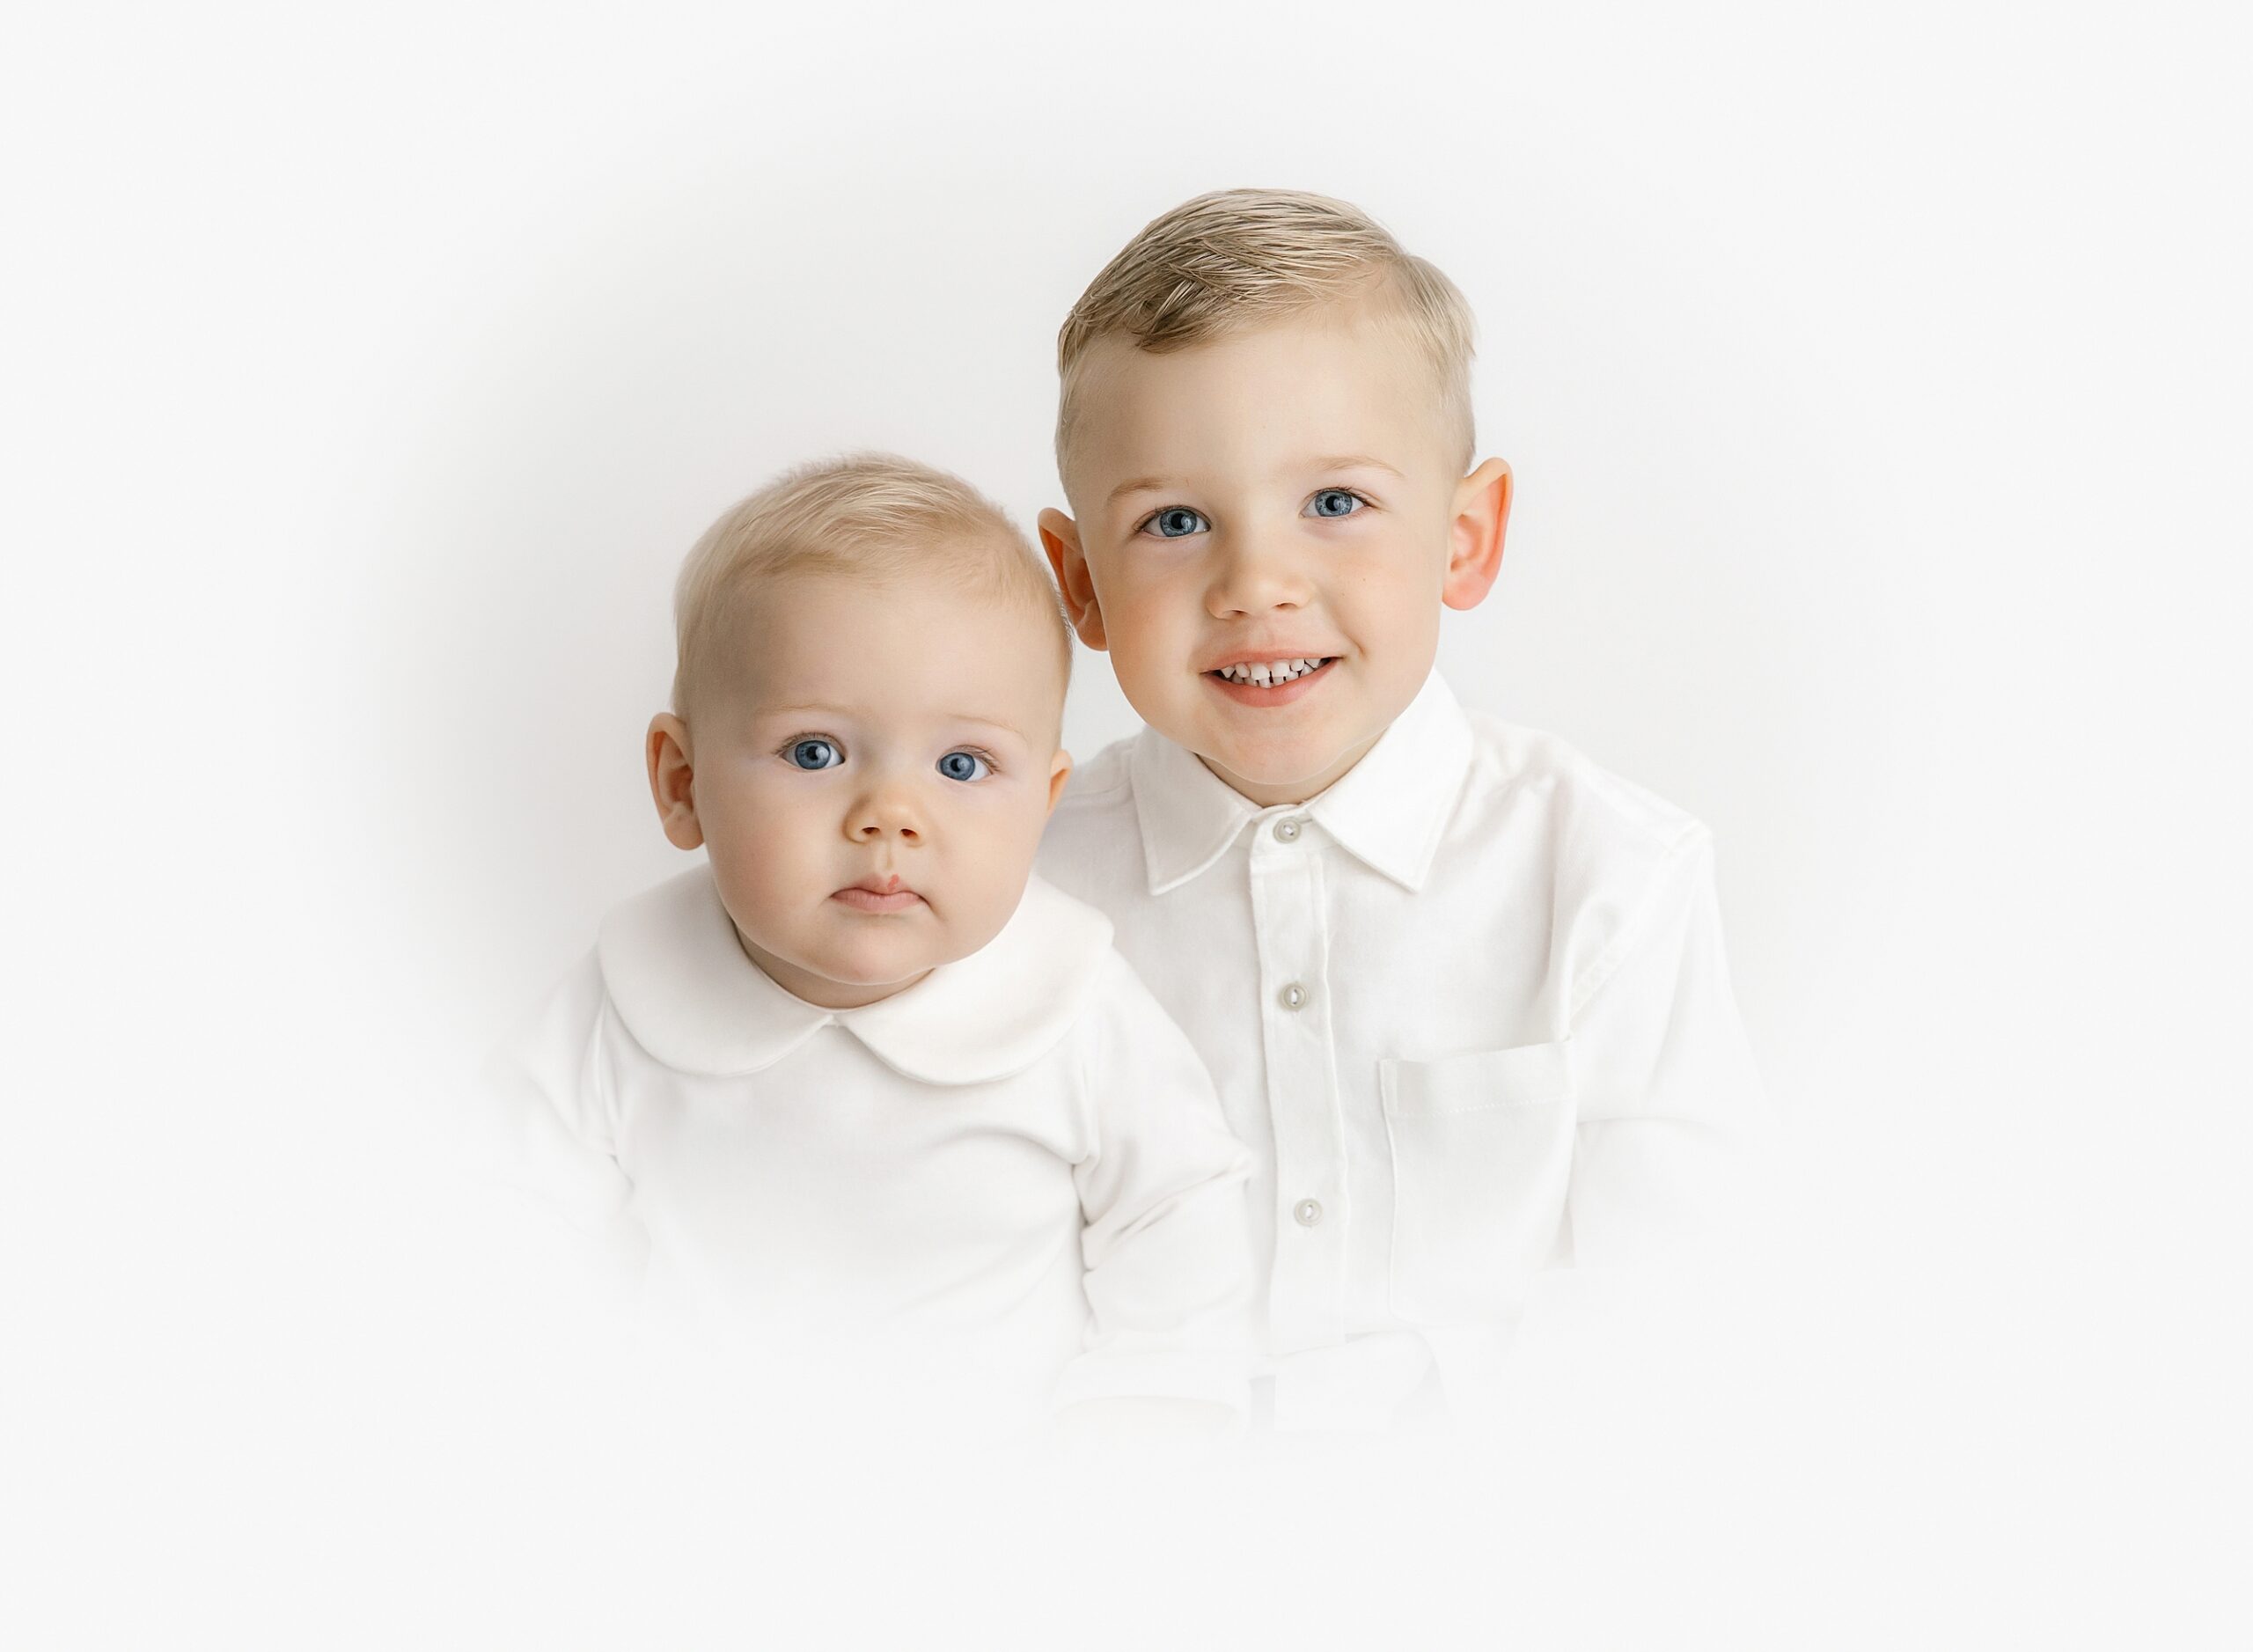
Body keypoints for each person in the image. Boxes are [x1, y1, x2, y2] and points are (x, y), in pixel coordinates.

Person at [1033, 189, 1766, 1432]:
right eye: (1174, 521)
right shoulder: (1019, 896)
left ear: (1465, 537)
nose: (1257, 583)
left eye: (1334, 503)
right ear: (1080, 584)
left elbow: (1685, 1303)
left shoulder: (1611, 879)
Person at [488, 452, 1254, 1441]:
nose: (890, 814)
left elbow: (1177, 1211)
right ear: (683, 783)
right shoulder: (627, 995)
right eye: (815, 753)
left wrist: (1141, 1416)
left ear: (1043, 803)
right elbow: (513, 1216)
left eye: (962, 764)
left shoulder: (1070, 1000)